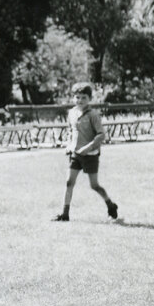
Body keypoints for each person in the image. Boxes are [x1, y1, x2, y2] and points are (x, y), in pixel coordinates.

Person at [53, 82, 119, 222]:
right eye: (77, 97)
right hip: (75, 154)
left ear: (89, 99)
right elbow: (70, 131)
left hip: (90, 155)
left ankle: (111, 205)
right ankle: (65, 214)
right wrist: (69, 145)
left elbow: (101, 135)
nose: (80, 100)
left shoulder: (93, 115)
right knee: (69, 182)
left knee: (94, 185)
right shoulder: (72, 113)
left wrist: (88, 147)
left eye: (83, 97)